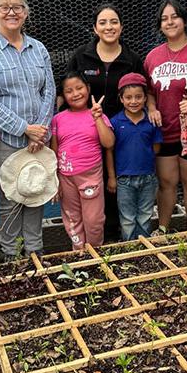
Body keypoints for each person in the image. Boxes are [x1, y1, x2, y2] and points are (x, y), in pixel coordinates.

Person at [0, 0, 56, 258]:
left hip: (38, 137)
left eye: (17, 7)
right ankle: (11, 256)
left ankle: (35, 251)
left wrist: (40, 131)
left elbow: (49, 91)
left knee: (36, 192)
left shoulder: (38, 48)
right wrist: (25, 129)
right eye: (4, 7)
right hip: (7, 139)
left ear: (25, 12)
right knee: (11, 199)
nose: (11, 12)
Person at [67, 4, 145, 241]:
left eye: (113, 22)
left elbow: (144, 90)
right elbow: (67, 90)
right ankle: (96, 236)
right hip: (88, 131)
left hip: (124, 129)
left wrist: (149, 109)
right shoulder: (81, 56)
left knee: (119, 181)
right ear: (94, 27)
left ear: (121, 26)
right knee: (95, 181)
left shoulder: (132, 59)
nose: (109, 27)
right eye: (103, 22)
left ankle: (121, 233)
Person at [144, 0, 187, 236]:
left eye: (174, 17)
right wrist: (151, 108)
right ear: (160, 25)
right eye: (164, 18)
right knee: (166, 183)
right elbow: (149, 92)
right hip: (165, 129)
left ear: (184, 20)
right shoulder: (152, 57)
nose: (170, 22)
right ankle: (163, 229)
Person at [51, 73, 115, 248]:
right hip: (66, 177)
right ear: (63, 96)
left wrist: (97, 118)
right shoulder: (58, 119)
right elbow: (54, 151)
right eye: (69, 91)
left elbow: (109, 143)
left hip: (91, 176)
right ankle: (78, 254)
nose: (76, 93)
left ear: (88, 89)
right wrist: (53, 180)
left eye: (79, 88)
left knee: (93, 220)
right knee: (72, 219)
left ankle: (94, 254)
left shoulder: (98, 114)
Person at [107, 73, 163, 240]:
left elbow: (156, 148)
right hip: (124, 179)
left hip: (148, 177)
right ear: (121, 99)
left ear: (146, 98)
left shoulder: (152, 121)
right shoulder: (115, 122)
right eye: (128, 97)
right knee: (127, 218)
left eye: (138, 97)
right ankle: (129, 248)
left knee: (145, 215)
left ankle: (143, 247)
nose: (133, 101)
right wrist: (111, 177)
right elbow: (109, 150)